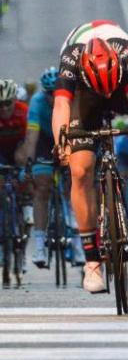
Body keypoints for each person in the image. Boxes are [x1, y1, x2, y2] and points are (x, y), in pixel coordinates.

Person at [51, 21, 128, 293]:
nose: (107, 95)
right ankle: (91, 263)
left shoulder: (125, 51)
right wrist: (61, 143)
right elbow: (62, 105)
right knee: (80, 170)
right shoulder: (71, 59)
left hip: (121, 82)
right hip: (84, 96)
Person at [19, 68, 60, 268]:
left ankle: (78, 240)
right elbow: (32, 136)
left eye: (57, 92)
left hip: (66, 134)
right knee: (42, 187)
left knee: (76, 180)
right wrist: (29, 162)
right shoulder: (36, 102)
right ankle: (40, 246)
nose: (53, 97)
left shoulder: (71, 96)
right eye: (49, 93)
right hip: (45, 139)